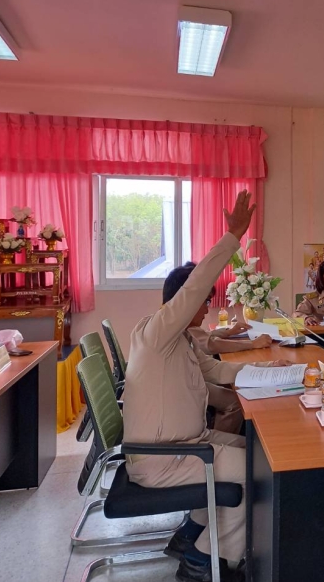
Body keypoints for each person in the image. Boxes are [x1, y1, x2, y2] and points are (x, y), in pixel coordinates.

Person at [123, 190, 260, 582]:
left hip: (184, 447)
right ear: (183, 302)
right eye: (203, 303)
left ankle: (193, 533)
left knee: (251, 447)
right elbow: (197, 285)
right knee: (259, 471)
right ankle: (204, 560)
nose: (207, 309)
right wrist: (232, 237)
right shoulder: (158, 332)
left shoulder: (180, 339)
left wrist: (272, 375)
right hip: (165, 458)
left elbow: (217, 376)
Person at [160, 264, 282, 435]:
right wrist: (253, 346)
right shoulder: (161, 335)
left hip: (186, 418)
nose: (207, 309)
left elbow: (212, 365)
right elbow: (209, 345)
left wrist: (271, 367)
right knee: (237, 401)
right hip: (178, 436)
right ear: (187, 300)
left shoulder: (179, 331)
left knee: (238, 401)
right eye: (205, 301)